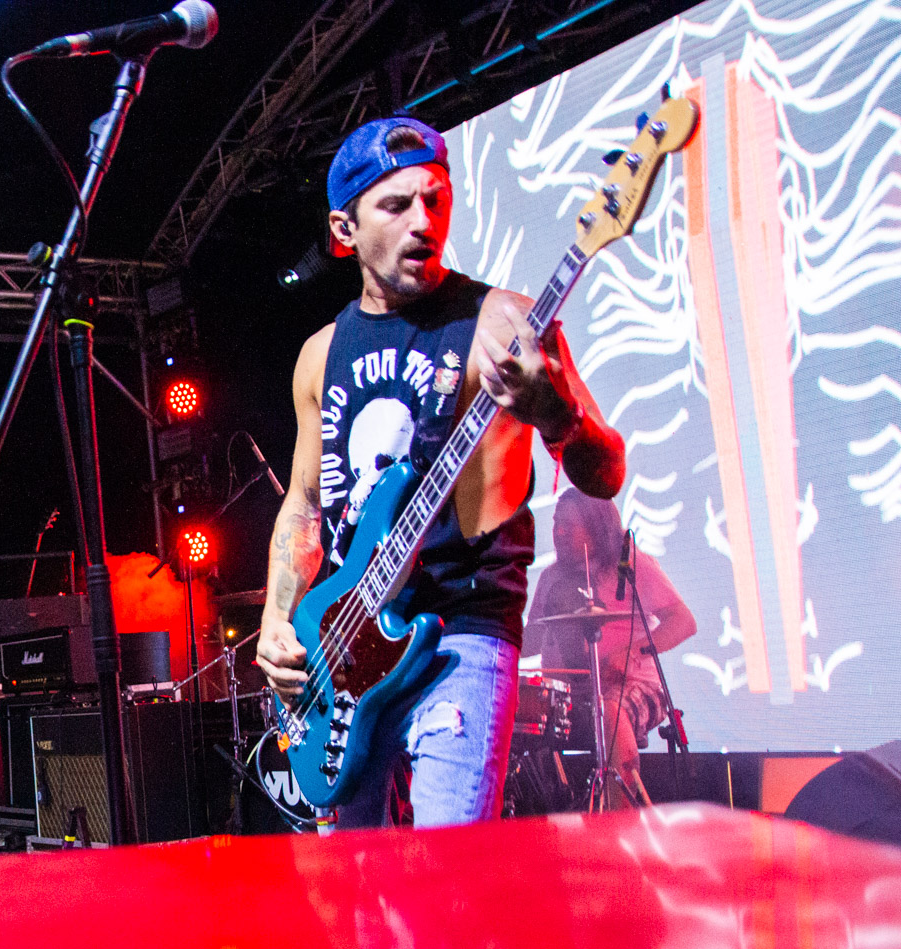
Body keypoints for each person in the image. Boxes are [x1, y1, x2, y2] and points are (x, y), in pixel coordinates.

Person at [256, 116, 627, 828]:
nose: (423, 222)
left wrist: (558, 417)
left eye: (435, 200)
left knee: (448, 871)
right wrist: (277, 616)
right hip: (346, 649)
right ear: (344, 229)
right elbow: (304, 504)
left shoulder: (505, 323)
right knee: (355, 880)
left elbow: (606, 472)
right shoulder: (319, 356)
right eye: (396, 206)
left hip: (464, 632)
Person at [527, 489, 696, 805]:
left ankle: (620, 818)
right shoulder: (550, 577)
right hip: (568, 696)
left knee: (610, 711)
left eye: (569, 525)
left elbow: (683, 621)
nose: (558, 533)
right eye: (556, 524)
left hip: (636, 686)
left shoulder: (629, 566)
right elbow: (530, 640)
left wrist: (631, 653)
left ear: (596, 528)